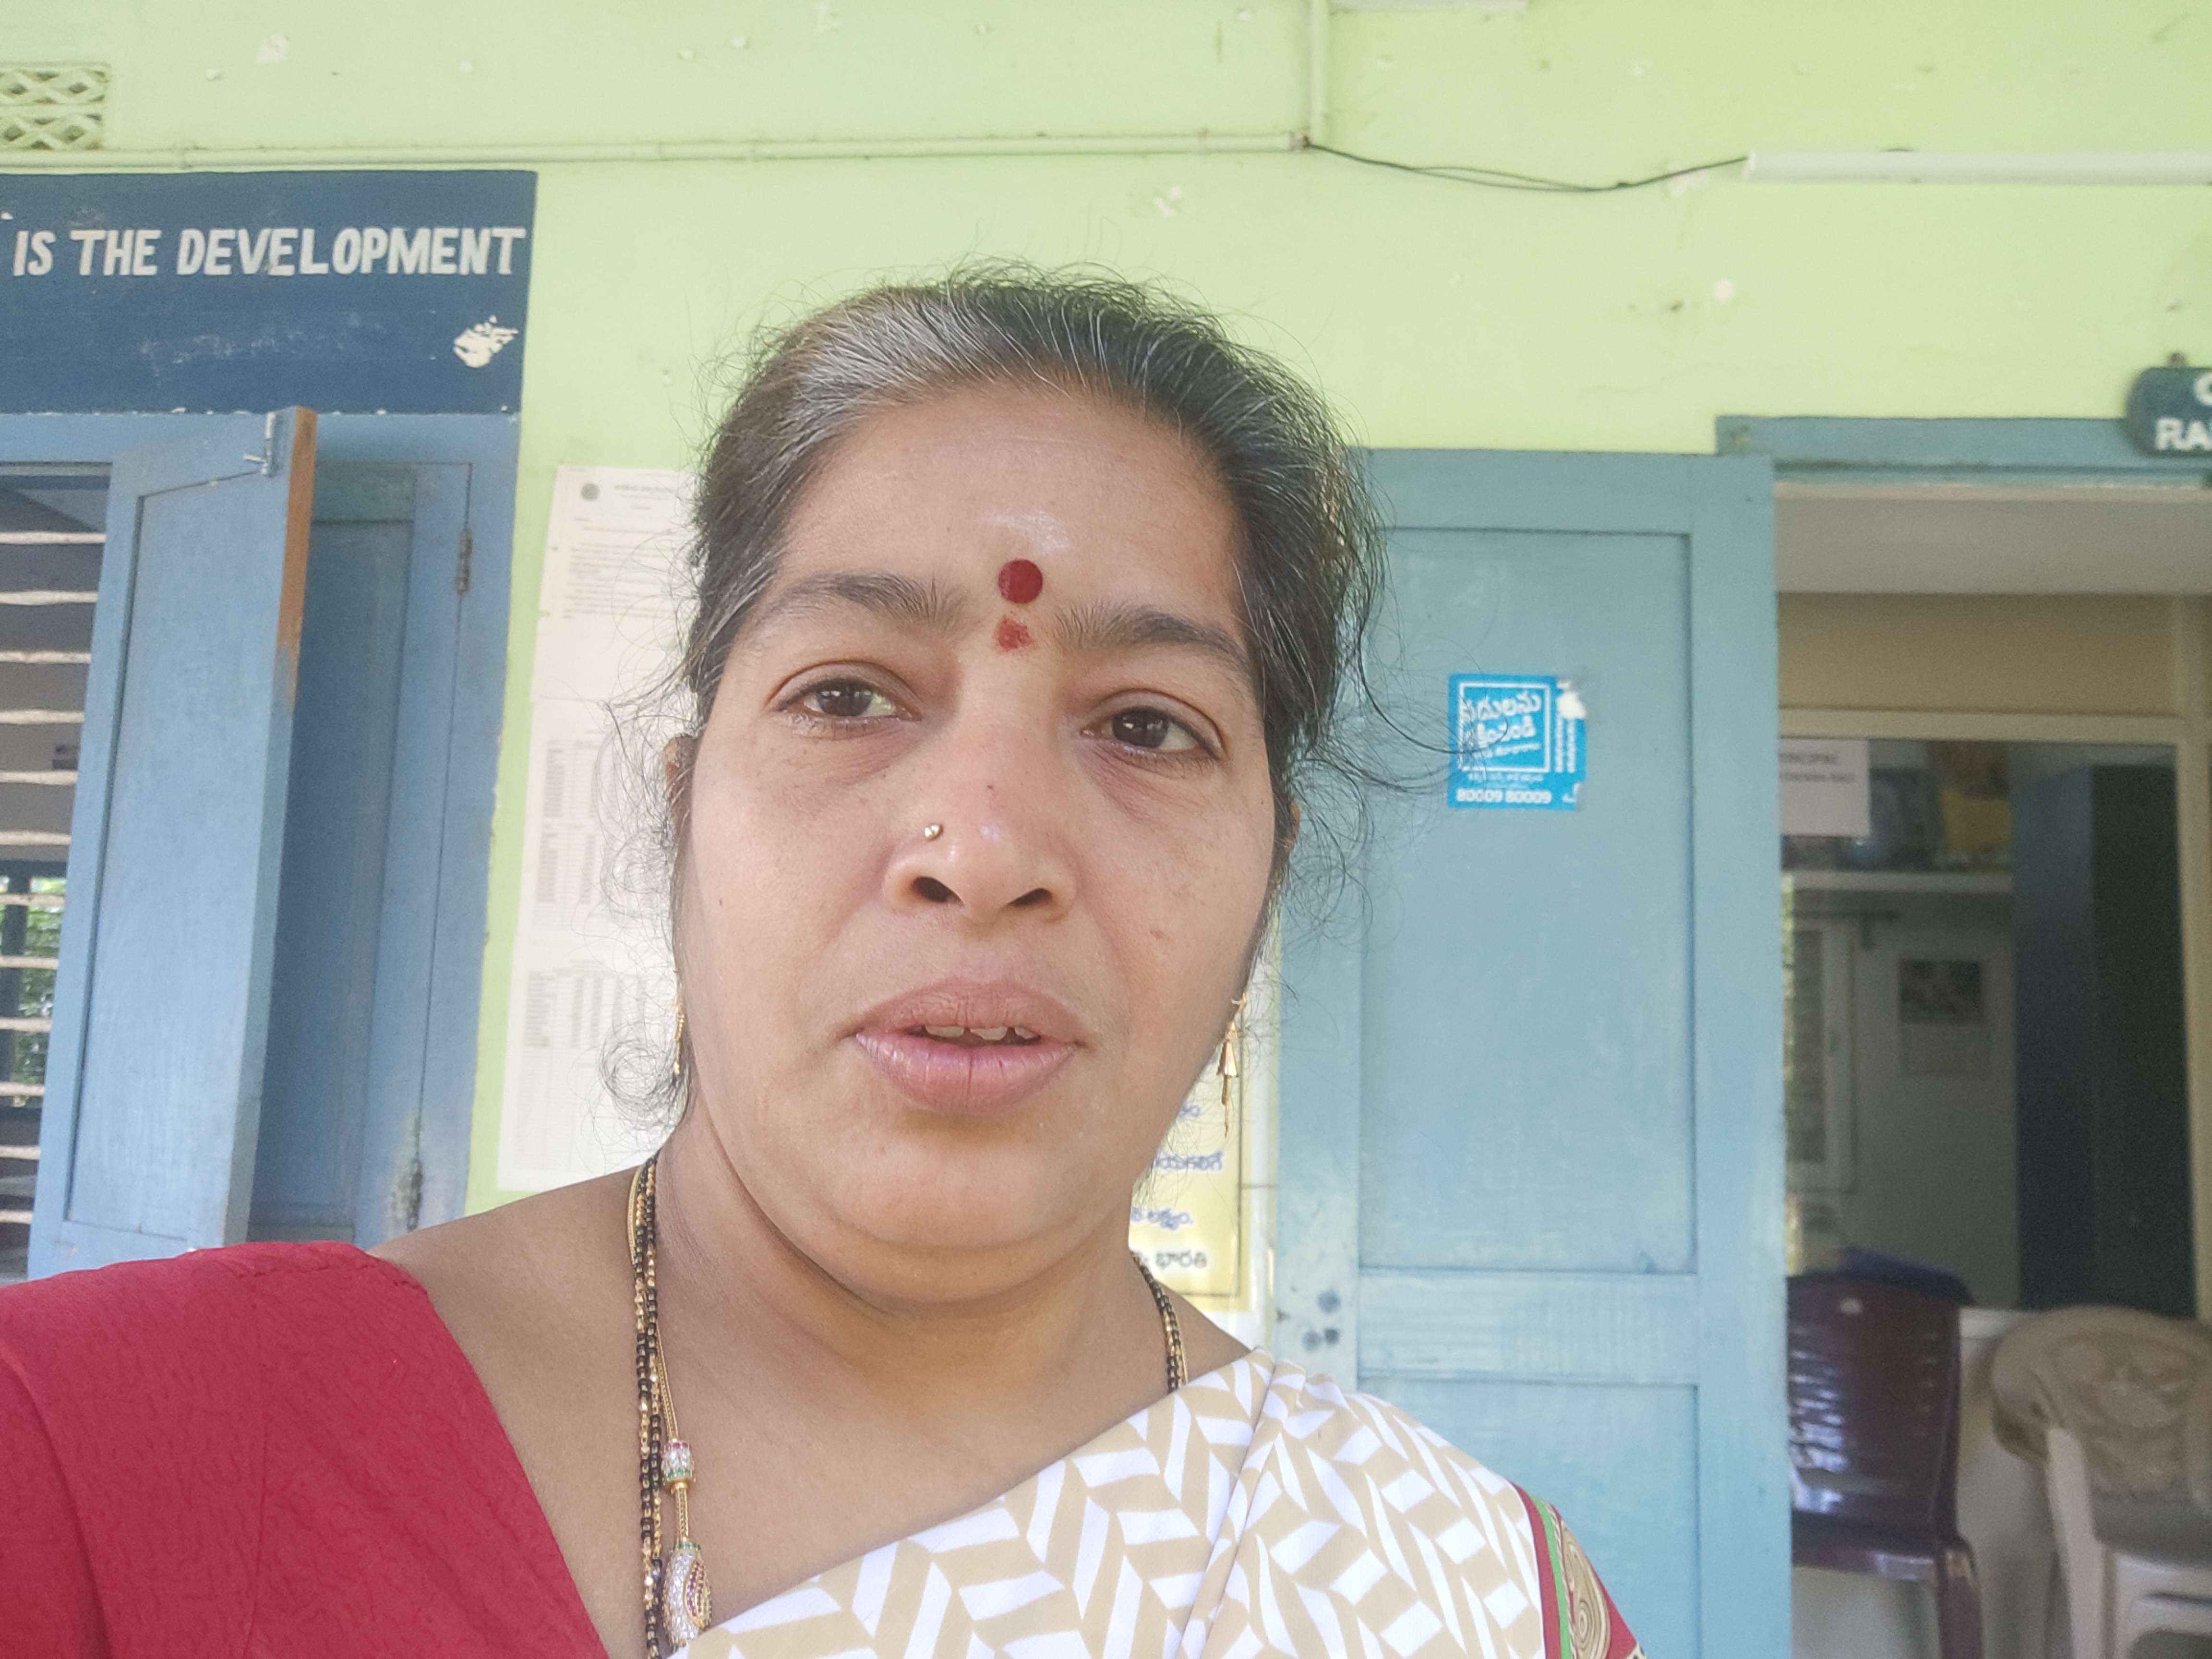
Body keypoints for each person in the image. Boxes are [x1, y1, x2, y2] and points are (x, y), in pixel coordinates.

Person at [0, 269, 1641, 1659]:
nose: (981, 847)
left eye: (1148, 727)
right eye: (847, 695)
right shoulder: (103, 1458)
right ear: (680, 821)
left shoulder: (1473, 1597)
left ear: (1264, 890)